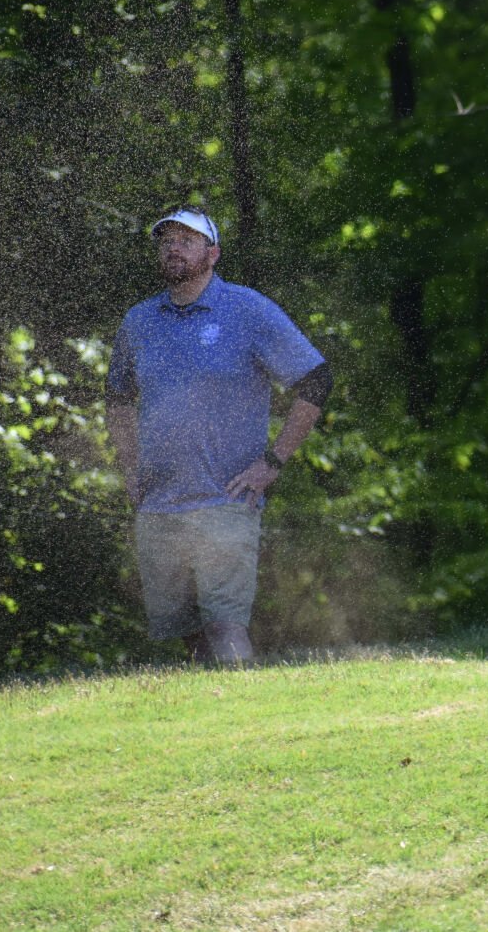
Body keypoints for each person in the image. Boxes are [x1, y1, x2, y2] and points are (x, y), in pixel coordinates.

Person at [106, 205, 330, 664]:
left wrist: (273, 462)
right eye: (166, 240)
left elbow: (316, 380)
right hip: (159, 504)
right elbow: (117, 399)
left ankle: (252, 722)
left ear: (213, 254)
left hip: (226, 499)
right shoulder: (139, 322)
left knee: (226, 627)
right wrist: (129, 470)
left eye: (187, 241)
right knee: (189, 639)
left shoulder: (248, 310)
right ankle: (212, 728)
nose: (173, 248)